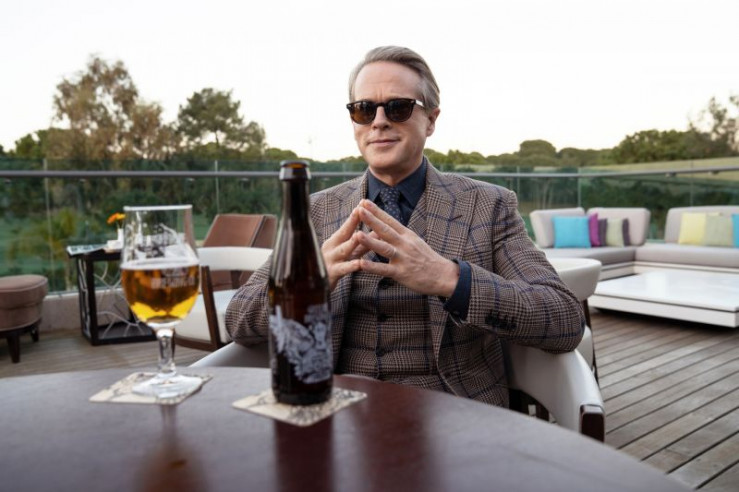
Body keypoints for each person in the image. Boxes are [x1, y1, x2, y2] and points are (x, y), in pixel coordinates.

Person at [226, 46, 584, 407]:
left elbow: (563, 318)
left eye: (397, 107)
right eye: (364, 109)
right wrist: (309, 282)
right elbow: (238, 318)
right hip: (336, 407)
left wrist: (450, 279)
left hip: (455, 412)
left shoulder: (488, 206)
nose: (379, 121)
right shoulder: (317, 211)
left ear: (431, 120)